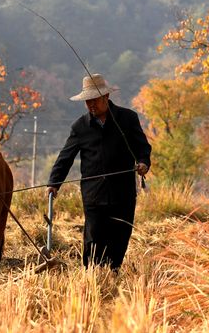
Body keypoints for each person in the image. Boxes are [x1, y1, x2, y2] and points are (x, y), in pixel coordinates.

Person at [47, 73, 151, 270]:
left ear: (106, 97)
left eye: (94, 100)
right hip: (93, 194)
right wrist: (54, 183)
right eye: (87, 101)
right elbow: (65, 157)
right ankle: (92, 275)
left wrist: (143, 162)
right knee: (93, 238)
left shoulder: (128, 119)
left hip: (123, 193)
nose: (91, 105)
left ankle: (113, 272)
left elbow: (142, 147)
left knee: (120, 236)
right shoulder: (80, 127)